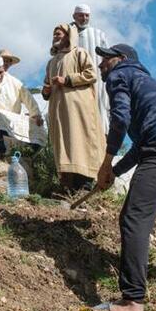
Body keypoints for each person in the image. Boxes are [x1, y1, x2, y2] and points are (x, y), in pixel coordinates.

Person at [93, 44, 156, 311]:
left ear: (121, 59)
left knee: (134, 218)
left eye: (105, 59)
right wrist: (115, 173)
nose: (100, 65)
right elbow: (141, 145)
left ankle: (132, 301)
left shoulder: (121, 74)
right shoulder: (152, 83)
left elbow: (120, 120)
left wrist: (105, 164)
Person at [42, 24, 105, 191]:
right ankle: (67, 185)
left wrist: (67, 79)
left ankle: (85, 183)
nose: (55, 37)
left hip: (78, 109)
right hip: (58, 110)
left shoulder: (79, 53)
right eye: (54, 34)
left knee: (80, 141)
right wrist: (46, 91)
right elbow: (46, 86)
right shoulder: (51, 62)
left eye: (59, 34)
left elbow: (91, 74)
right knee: (63, 143)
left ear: (69, 36)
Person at [0, 55, 45, 158]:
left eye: (0, 72)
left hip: (13, 120)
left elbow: (28, 98)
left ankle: (28, 155)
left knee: (37, 125)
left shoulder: (14, 82)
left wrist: (36, 114)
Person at [71, 3, 110, 132]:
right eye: (81, 15)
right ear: (74, 16)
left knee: (99, 107)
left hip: (97, 79)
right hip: (75, 79)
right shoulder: (68, 32)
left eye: (87, 15)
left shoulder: (98, 34)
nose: (84, 18)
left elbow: (108, 55)